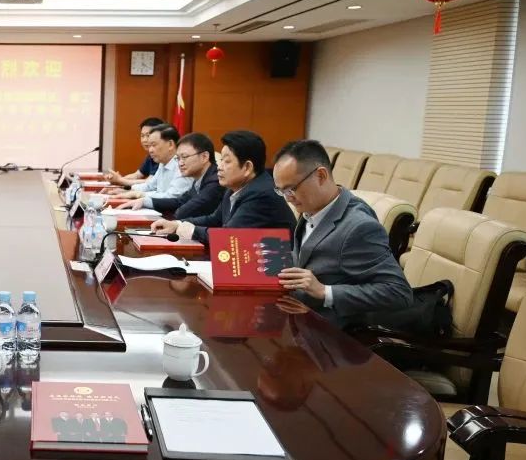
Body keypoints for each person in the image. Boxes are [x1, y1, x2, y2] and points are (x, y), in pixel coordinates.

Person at [272, 140, 413, 327]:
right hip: (297, 314)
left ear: (321, 176)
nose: (288, 198)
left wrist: (325, 291)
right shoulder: (313, 207)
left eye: (291, 189)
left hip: (329, 332)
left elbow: (399, 293)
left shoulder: (359, 227)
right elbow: (311, 257)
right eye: (281, 191)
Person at [152, 130, 296, 245]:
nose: (219, 167)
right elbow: (214, 219)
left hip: (277, 267)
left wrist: (187, 230)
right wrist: (176, 224)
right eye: (221, 160)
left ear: (247, 167)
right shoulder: (235, 186)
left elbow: (228, 236)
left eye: (226, 161)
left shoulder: (261, 194)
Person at [120, 132, 223, 217]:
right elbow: (180, 201)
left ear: (204, 157)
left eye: (184, 157)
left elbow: (182, 212)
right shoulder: (199, 179)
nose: (180, 163)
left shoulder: (215, 181)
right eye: (178, 158)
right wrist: (144, 202)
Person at [107, 125, 192, 207]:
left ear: (170, 144)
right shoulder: (163, 163)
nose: (150, 150)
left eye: (154, 145)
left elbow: (171, 197)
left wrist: (138, 194)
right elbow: (149, 186)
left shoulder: (182, 165)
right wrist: (127, 190)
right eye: (149, 146)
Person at [106, 117, 164, 187]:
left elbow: (150, 182)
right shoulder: (151, 155)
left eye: (148, 136)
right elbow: (137, 175)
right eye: (142, 136)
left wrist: (120, 180)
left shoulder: (162, 156)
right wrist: (116, 179)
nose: (144, 140)